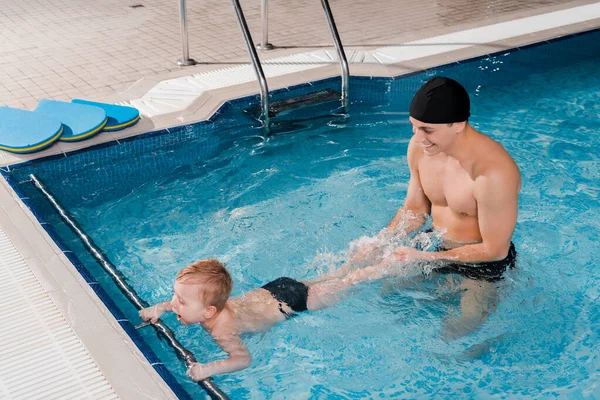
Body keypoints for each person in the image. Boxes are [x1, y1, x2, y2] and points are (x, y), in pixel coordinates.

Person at [375, 76, 521, 339]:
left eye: (428, 130)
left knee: (454, 337)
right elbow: (416, 209)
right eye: (414, 127)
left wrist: (428, 259)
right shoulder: (421, 150)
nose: (418, 138)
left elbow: (495, 250)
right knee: (386, 301)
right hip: (434, 246)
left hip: (482, 266)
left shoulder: (493, 173)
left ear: (458, 124)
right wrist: (381, 241)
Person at [139, 258, 390, 381]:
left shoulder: (221, 330)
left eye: (180, 301)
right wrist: (159, 309)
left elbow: (242, 359)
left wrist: (207, 369)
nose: (173, 303)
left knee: (351, 282)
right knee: (335, 275)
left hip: (292, 304)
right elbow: (175, 305)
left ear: (208, 313)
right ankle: (364, 255)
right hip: (275, 289)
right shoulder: (206, 309)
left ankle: (390, 264)